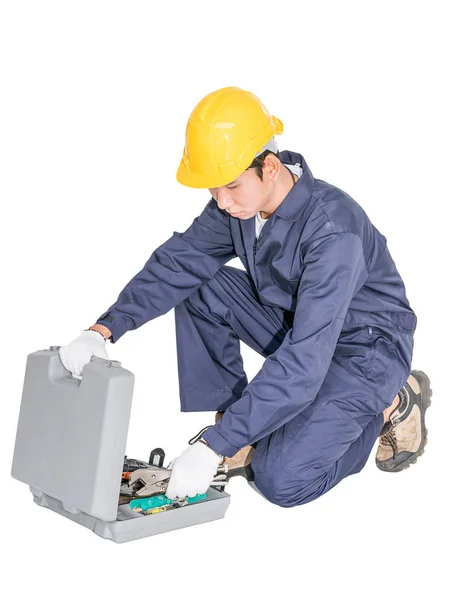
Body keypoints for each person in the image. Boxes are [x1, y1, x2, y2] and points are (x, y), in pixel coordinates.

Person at [59, 86, 431, 507]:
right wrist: (104, 329)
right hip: (299, 323)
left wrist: (212, 446)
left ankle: (392, 403)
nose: (221, 201)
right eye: (214, 189)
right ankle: (238, 428)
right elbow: (180, 263)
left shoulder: (333, 232)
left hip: (365, 350)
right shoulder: (239, 207)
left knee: (279, 479)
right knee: (199, 285)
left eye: (231, 186)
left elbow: (307, 360)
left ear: (270, 168)